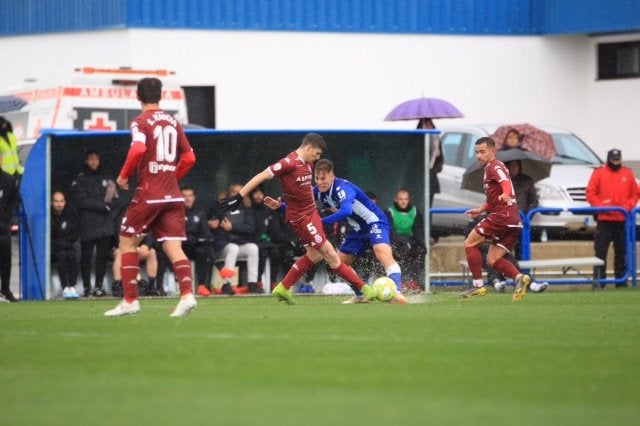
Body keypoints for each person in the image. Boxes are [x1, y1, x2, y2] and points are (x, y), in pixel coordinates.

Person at [218, 132, 377, 304]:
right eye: (316, 154)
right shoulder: (288, 163)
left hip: (310, 215)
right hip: (303, 219)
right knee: (330, 254)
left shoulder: (307, 165)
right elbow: (262, 175)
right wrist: (240, 196)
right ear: (309, 148)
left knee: (315, 255)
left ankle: (283, 287)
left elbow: (306, 193)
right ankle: (363, 290)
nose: (317, 158)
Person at [104, 77, 197, 317]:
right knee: (173, 247)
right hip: (173, 196)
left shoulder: (140, 121)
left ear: (137, 96)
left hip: (149, 194)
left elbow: (138, 149)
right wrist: (171, 176)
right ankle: (187, 295)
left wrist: (123, 176)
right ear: (161, 96)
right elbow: (189, 158)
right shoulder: (174, 122)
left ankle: (130, 300)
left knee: (126, 243)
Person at [308, 159, 407, 304]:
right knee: (338, 263)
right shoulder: (318, 191)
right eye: (316, 178)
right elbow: (299, 203)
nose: (320, 182)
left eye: (323, 178)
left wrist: (321, 222)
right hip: (358, 229)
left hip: (374, 221)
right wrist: (279, 206)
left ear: (332, 176)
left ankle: (396, 292)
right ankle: (360, 295)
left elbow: (346, 210)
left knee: (381, 252)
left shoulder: (342, 188)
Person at [461, 137, 531, 302]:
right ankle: (519, 278)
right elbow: (494, 199)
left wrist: (506, 193)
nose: (478, 155)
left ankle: (478, 286)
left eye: (482, 152)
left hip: (502, 217)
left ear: (493, 151)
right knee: (492, 260)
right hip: (513, 221)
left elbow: (505, 182)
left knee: (469, 243)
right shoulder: (493, 168)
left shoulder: (495, 166)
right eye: (477, 152)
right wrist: (480, 210)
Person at [586, 148, 639, 289]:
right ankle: (598, 282)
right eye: (613, 159)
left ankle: (621, 282)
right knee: (600, 252)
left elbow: (635, 194)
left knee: (621, 252)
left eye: (618, 159)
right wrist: (602, 206)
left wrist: (626, 206)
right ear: (608, 159)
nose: (616, 162)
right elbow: (591, 192)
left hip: (622, 220)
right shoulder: (599, 173)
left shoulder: (627, 173)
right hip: (604, 220)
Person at [70, 148, 116, 297]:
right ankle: (86, 287)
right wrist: (102, 206)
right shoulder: (80, 179)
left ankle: (98, 286)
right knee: (86, 257)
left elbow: (113, 199)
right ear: (86, 161)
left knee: (102, 257)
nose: (93, 162)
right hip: (87, 225)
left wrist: (105, 205)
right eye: (91, 159)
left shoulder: (107, 178)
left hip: (104, 225)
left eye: (96, 159)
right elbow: (81, 201)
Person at [386, 188, 426, 290]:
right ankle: (401, 281)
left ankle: (413, 281)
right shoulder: (389, 211)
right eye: (401, 199)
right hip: (395, 242)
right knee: (402, 251)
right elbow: (390, 231)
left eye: (406, 199)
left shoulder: (415, 212)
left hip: (411, 241)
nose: (403, 201)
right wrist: (403, 242)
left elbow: (418, 232)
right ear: (396, 200)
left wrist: (423, 246)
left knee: (420, 251)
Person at [181, 186, 216, 296]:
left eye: (190, 195)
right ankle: (180, 287)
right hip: (181, 246)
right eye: (184, 196)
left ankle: (202, 286)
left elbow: (205, 231)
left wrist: (202, 239)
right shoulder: (176, 211)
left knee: (204, 251)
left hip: (195, 245)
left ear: (194, 197)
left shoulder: (199, 211)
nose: (187, 198)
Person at [51, 190, 81, 299]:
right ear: (51, 202)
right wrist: (60, 243)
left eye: (61, 201)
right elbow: (51, 237)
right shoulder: (48, 216)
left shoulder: (70, 214)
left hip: (68, 246)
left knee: (73, 255)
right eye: (56, 201)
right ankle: (64, 287)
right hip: (54, 249)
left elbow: (75, 233)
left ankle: (72, 286)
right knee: (62, 256)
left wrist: (65, 243)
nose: (59, 204)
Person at [417, 118, 443, 244]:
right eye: (425, 123)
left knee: (429, 209)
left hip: (431, 180)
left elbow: (441, 161)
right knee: (419, 207)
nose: (428, 126)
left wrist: (433, 168)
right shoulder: (417, 139)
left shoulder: (437, 140)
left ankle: (428, 234)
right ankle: (420, 233)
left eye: (430, 124)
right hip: (419, 179)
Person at [0, 153, 19, 302]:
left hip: (2, 226)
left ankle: (5, 290)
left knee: (6, 259)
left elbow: (14, 200)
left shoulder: (8, 179)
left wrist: (7, 217)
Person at [0, 116, 24, 185]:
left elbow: (14, 152)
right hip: (6, 173)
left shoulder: (11, 135)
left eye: (5, 124)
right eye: (3, 124)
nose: (5, 126)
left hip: (18, 170)